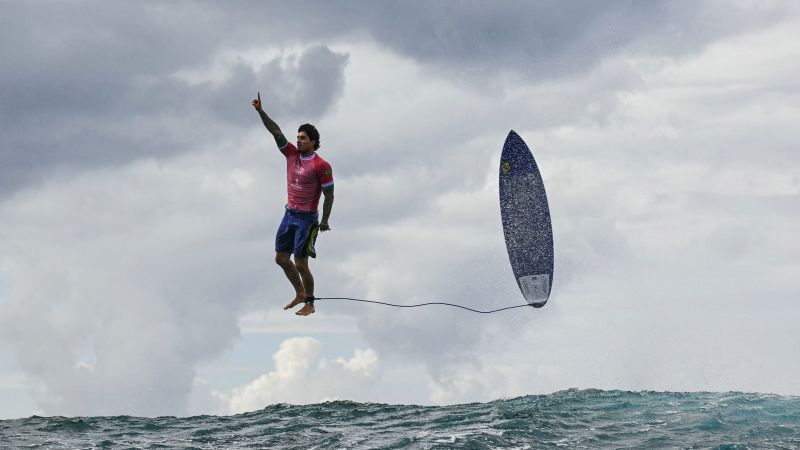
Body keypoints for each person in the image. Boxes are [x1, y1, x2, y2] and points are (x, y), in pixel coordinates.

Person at [252, 92, 334, 316]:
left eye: (303, 138)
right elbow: (276, 131)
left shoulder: (322, 165)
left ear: (314, 142)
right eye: (298, 137)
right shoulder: (290, 154)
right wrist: (261, 112)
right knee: (280, 258)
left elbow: (329, 195)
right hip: (289, 214)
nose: (298, 140)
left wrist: (324, 220)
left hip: (307, 219)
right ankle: (299, 293)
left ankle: (310, 302)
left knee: (300, 263)